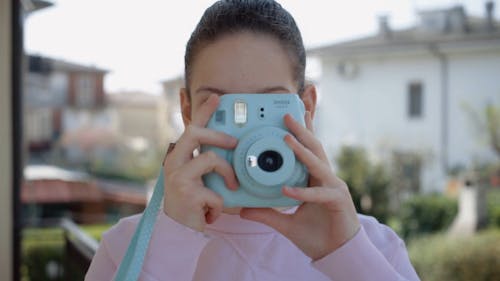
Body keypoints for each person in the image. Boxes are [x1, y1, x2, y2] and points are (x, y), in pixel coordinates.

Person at [86, 1, 420, 280]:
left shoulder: (374, 247)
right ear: (187, 110)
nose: (248, 136)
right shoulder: (126, 249)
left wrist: (347, 255)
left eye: (267, 105)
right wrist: (171, 241)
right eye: (222, 107)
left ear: (307, 107)